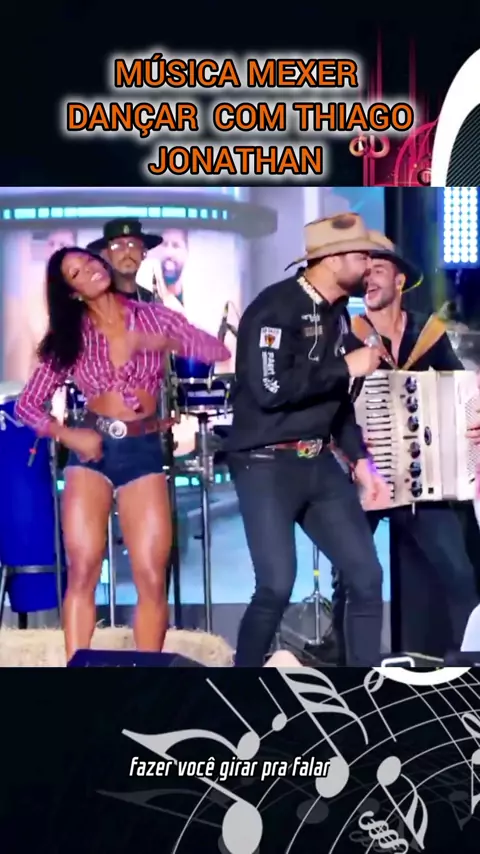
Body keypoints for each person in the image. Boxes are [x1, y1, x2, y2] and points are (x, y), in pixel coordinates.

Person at [15, 246, 230, 662]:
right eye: (76, 272)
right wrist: (67, 435)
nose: (90, 270)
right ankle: (79, 675)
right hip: (91, 450)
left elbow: (215, 351)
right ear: (72, 291)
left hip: (143, 449)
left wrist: (161, 340)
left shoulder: (152, 316)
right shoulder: (70, 335)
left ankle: (144, 681)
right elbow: (27, 405)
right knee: (84, 569)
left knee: (151, 576)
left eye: (90, 262)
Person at [226, 213, 390, 668]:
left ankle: (364, 689)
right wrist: (346, 366)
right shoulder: (275, 308)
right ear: (332, 259)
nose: (370, 265)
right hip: (266, 462)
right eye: (362, 256)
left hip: (318, 462)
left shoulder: (337, 314)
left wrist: (360, 460)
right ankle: (239, 686)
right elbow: (269, 390)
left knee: (366, 576)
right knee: (276, 585)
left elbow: (336, 400)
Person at [329, 232, 480, 662]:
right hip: (364, 475)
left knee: (459, 575)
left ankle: (466, 668)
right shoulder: (347, 335)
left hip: (419, 479)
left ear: (399, 280)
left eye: (378, 269)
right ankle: (347, 669)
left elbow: (461, 390)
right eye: (365, 271)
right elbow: (329, 403)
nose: (369, 278)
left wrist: (474, 419)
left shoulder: (428, 334)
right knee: (352, 579)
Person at [86, 218, 160, 302]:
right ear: (106, 255)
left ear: (143, 253)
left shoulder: (150, 300)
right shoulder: (97, 301)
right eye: (117, 246)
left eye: (132, 244)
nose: (127, 251)